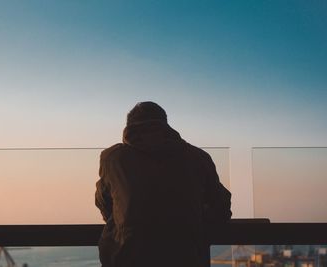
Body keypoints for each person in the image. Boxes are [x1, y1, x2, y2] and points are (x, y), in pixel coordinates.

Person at [95, 101, 231, 267]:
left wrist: (125, 221)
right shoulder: (198, 157)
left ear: (129, 126)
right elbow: (221, 206)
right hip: (186, 257)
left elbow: (104, 202)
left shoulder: (112, 158)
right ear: (165, 124)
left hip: (127, 257)